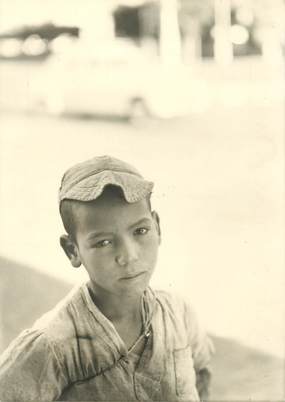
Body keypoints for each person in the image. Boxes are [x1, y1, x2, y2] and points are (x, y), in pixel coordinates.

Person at [0, 155, 214, 401]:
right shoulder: (53, 346)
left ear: (157, 227)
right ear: (72, 250)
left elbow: (202, 375)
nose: (129, 256)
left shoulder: (178, 314)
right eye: (103, 242)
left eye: (140, 231)